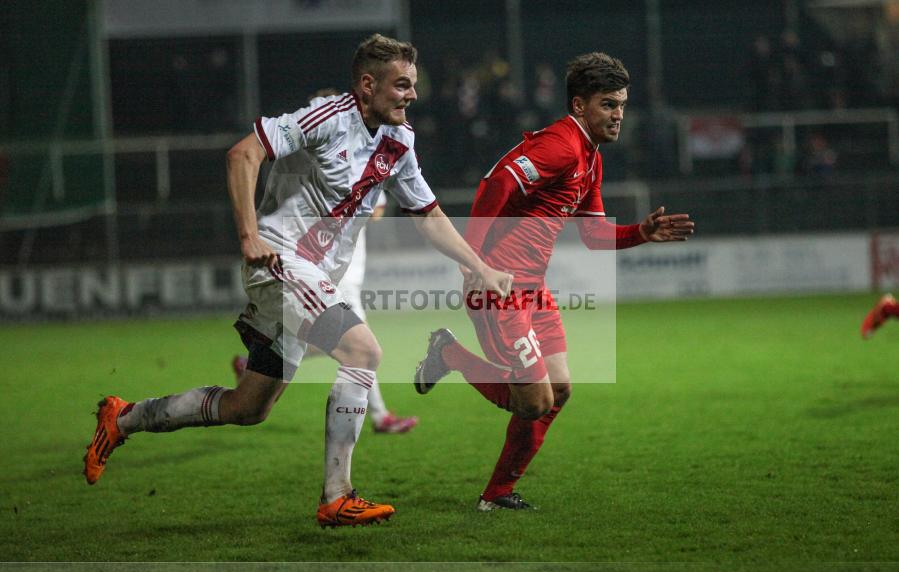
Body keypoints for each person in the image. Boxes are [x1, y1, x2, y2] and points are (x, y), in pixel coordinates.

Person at [83, 34, 512, 529]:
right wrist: (249, 236)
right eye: (401, 85)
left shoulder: (399, 142)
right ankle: (338, 495)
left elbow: (429, 214)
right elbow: (242, 155)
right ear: (368, 85)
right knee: (363, 352)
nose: (412, 95)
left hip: (308, 277)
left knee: (248, 406)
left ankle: (123, 417)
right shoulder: (328, 117)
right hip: (281, 262)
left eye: (413, 85)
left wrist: (478, 266)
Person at [414, 52, 694, 511]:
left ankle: (497, 494)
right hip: (500, 288)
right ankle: (447, 353)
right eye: (608, 104)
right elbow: (496, 185)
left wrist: (640, 234)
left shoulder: (591, 158)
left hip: (533, 289)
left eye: (622, 104)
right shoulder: (561, 145)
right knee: (533, 402)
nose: (618, 114)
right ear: (580, 105)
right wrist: (474, 260)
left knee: (558, 390)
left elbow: (594, 235)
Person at [232, 196, 419, 434]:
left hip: (341, 275)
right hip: (341, 280)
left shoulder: (357, 172)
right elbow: (376, 213)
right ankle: (380, 416)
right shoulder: (350, 175)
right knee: (363, 349)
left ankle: (250, 363)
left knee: (344, 346)